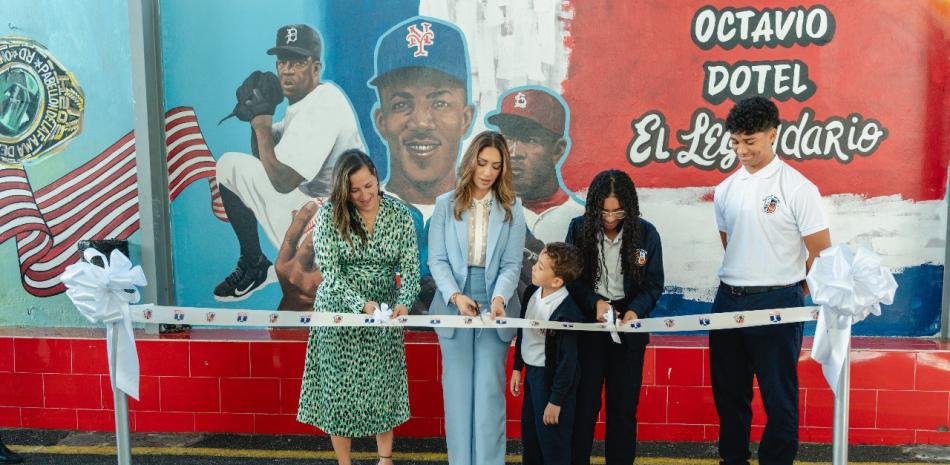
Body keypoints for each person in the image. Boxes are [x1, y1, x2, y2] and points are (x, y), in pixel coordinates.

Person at [711, 96, 831, 465]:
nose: (741, 150)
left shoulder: (797, 188)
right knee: (729, 394)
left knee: (779, 397)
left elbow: (820, 251)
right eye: (735, 142)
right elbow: (731, 243)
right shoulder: (725, 189)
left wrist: (794, 290)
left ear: (772, 134)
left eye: (750, 141)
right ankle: (733, 459)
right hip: (728, 301)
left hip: (778, 303)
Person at [213, 23, 364, 301]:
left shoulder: (323, 104)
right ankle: (255, 264)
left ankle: (255, 265)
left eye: (297, 62)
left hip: (341, 231)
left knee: (228, 165)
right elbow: (264, 159)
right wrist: (259, 116)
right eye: (282, 61)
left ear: (316, 68)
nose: (287, 70)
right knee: (235, 168)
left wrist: (261, 124)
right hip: (326, 218)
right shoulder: (303, 105)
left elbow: (282, 182)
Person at [296, 149, 421, 465]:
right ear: (343, 190)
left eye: (369, 185)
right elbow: (330, 272)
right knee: (339, 392)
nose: (364, 195)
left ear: (377, 177)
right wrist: (361, 304)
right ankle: (344, 462)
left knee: (382, 386)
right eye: (354, 190)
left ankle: (385, 459)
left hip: (383, 314)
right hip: (339, 311)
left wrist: (404, 303)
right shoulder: (329, 215)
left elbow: (410, 268)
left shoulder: (399, 215)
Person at [427, 130, 526, 465]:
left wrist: (499, 298)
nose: (487, 172)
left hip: (496, 304)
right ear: (471, 161)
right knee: (458, 396)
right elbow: (437, 260)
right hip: (452, 303)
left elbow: (512, 264)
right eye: (482, 163)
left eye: (496, 166)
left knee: (488, 394)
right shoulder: (444, 204)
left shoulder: (512, 208)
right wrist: (456, 296)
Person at [565, 170, 664, 465]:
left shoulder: (646, 234)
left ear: (629, 208)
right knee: (584, 406)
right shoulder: (578, 229)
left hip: (628, 328)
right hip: (589, 324)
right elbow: (571, 279)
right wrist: (594, 302)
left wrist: (635, 311)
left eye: (618, 211)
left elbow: (653, 284)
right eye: (603, 211)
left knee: (623, 409)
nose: (610, 218)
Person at [370, 16, 475, 220]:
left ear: (465, 119)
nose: (421, 123)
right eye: (401, 104)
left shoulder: (493, 216)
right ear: (381, 121)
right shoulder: (353, 215)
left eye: (440, 103)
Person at [510, 242, 584, 465]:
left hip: (551, 382)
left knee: (553, 444)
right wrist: (517, 368)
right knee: (531, 438)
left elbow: (567, 363)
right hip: (532, 375)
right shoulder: (531, 292)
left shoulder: (566, 312)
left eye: (541, 267)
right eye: (536, 263)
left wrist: (555, 401)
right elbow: (523, 332)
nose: (533, 268)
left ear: (557, 282)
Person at [486, 87, 583, 244]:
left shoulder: (582, 220)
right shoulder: (483, 212)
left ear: (558, 150)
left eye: (529, 140)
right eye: (507, 138)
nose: (514, 152)